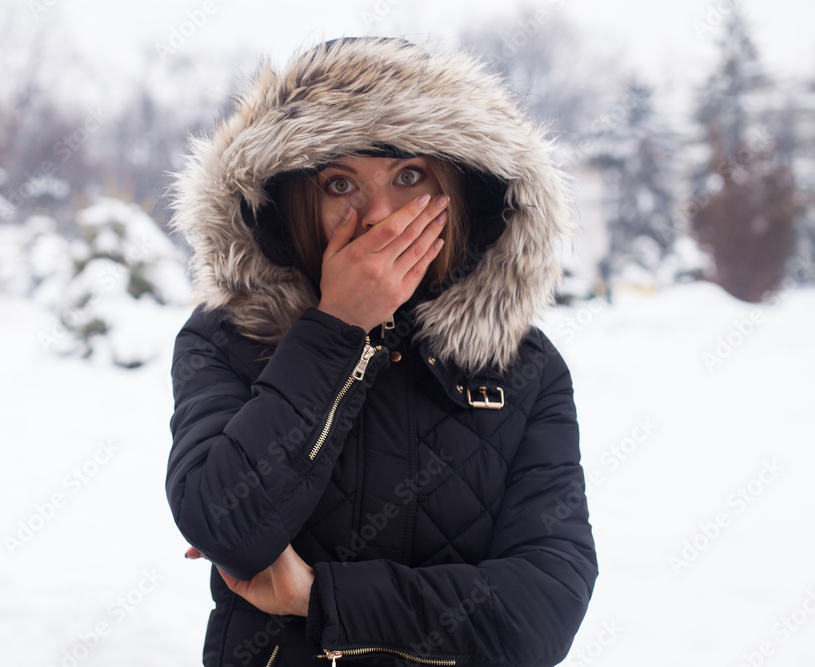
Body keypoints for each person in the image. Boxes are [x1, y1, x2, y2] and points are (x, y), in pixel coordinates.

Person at [166, 36, 597, 666]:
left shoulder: (522, 366)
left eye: (409, 176)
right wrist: (338, 328)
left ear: (462, 191)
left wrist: (322, 599)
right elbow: (226, 527)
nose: (377, 216)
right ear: (295, 203)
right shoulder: (229, 338)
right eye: (339, 183)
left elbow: (543, 609)